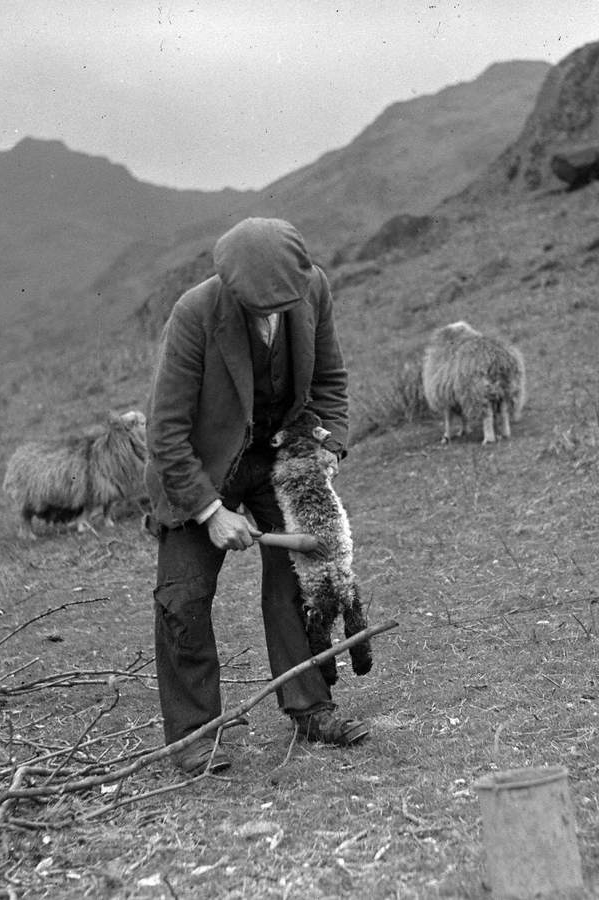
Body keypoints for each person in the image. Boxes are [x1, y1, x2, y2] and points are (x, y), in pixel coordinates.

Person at [144, 217, 370, 776]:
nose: (271, 315)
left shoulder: (312, 288)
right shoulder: (194, 314)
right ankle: (195, 737)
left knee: (301, 575)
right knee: (185, 599)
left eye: (281, 305)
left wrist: (327, 450)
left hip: (276, 458)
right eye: (258, 308)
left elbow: (331, 383)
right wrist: (208, 511)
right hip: (199, 468)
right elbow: (166, 432)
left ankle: (311, 707)